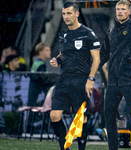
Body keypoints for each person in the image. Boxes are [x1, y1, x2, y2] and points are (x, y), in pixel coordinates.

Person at [50, 2, 100, 150]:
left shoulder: (88, 33)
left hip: (81, 80)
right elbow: (64, 53)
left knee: (80, 119)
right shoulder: (63, 34)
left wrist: (91, 79)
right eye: (64, 14)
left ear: (77, 14)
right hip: (64, 79)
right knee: (54, 115)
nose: (66, 17)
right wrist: (57, 60)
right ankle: (64, 146)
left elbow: (96, 59)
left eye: (69, 13)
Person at [100, 0, 131, 149]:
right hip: (113, 80)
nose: (119, 11)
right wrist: (90, 72)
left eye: (123, 9)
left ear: (129, 12)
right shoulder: (111, 31)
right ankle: (112, 147)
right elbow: (103, 54)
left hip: (130, 78)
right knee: (109, 115)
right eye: (118, 9)